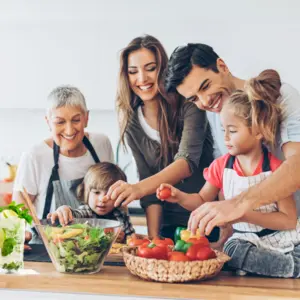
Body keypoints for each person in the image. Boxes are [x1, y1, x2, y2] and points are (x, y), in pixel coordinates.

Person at [158, 71, 300, 277]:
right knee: (233, 251)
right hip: (245, 240)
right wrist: (178, 197)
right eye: (223, 129)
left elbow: (288, 220)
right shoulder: (220, 167)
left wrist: (243, 212)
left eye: (232, 131)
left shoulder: (277, 170)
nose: (225, 138)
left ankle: (283, 266)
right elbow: (201, 201)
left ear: (258, 130)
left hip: (282, 238)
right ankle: (289, 268)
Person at [164, 43, 300, 236]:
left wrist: (239, 205)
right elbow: (224, 183)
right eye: (194, 99)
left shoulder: (284, 98)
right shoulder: (216, 112)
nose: (205, 102)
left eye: (206, 86)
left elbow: (298, 166)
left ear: (222, 66)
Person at [106, 35, 216, 240]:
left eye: (150, 68)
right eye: (133, 72)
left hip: (207, 219)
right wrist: (154, 240)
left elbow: (186, 163)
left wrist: (137, 188)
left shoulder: (190, 104)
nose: (142, 78)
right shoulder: (131, 121)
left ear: (163, 70)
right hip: (167, 224)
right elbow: (148, 191)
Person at [13, 85, 114, 245]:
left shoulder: (101, 144)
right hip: (48, 248)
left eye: (76, 120)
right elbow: (20, 207)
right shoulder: (35, 155)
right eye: (60, 122)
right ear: (48, 122)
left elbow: (113, 189)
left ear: (86, 118)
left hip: (94, 247)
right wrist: (16, 239)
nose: (69, 130)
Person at [47, 162, 136, 243]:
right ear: (86, 193)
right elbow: (74, 214)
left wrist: (124, 238)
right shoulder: (86, 212)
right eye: (96, 192)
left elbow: (132, 239)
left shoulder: (121, 215)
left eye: (109, 195)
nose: (102, 199)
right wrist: (65, 210)